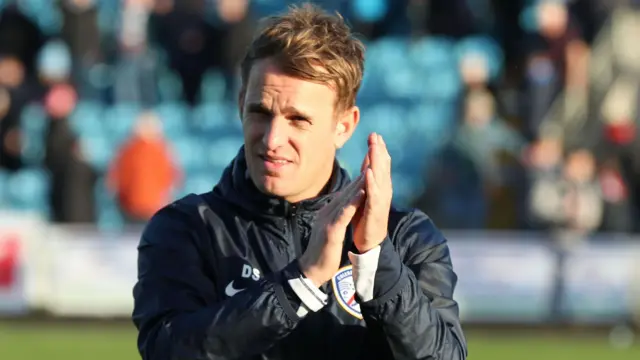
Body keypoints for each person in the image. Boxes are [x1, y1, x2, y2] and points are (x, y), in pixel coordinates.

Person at [132, 4, 467, 360]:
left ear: (344, 126)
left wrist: (374, 259)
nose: (273, 138)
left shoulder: (406, 236)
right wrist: (300, 283)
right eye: (260, 112)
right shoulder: (187, 230)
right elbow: (167, 351)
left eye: (298, 120)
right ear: (240, 103)